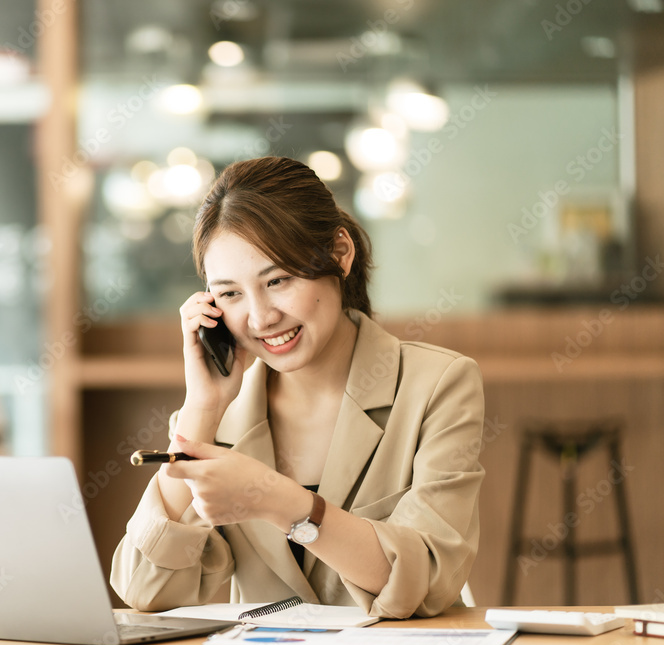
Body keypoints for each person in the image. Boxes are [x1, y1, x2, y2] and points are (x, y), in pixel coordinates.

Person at [109, 156, 485, 619]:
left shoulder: (436, 386)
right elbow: (145, 590)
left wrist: (277, 500)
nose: (261, 317)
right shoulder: (218, 416)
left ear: (340, 254)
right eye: (230, 294)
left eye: (279, 280)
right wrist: (202, 409)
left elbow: (425, 581)